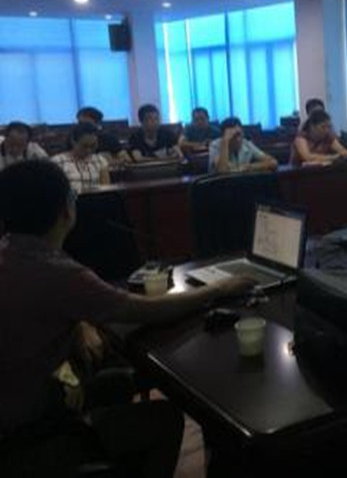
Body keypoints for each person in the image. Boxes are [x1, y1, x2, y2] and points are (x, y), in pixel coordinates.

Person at [0, 160, 253, 476]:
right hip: (26, 431)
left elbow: (45, 306)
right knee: (164, 419)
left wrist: (79, 323)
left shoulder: (11, 252)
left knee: (118, 382)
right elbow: (145, 311)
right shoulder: (59, 273)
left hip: (18, 405)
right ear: (65, 212)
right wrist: (217, 289)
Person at [51, 122, 112, 193]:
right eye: (84, 146)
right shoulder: (58, 162)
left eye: (93, 146)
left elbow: (105, 189)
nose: (89, 150)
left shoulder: (100, 160)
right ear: (73, 141)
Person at [209, 117, 278, 173]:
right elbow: (222, 170)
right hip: (220, 184)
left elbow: (273, 162)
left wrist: (249, 167)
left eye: (239, 134)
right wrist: (225, 142)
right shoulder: (215, 145)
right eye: (233, 136)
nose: (238, 140)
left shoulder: (246, 143)